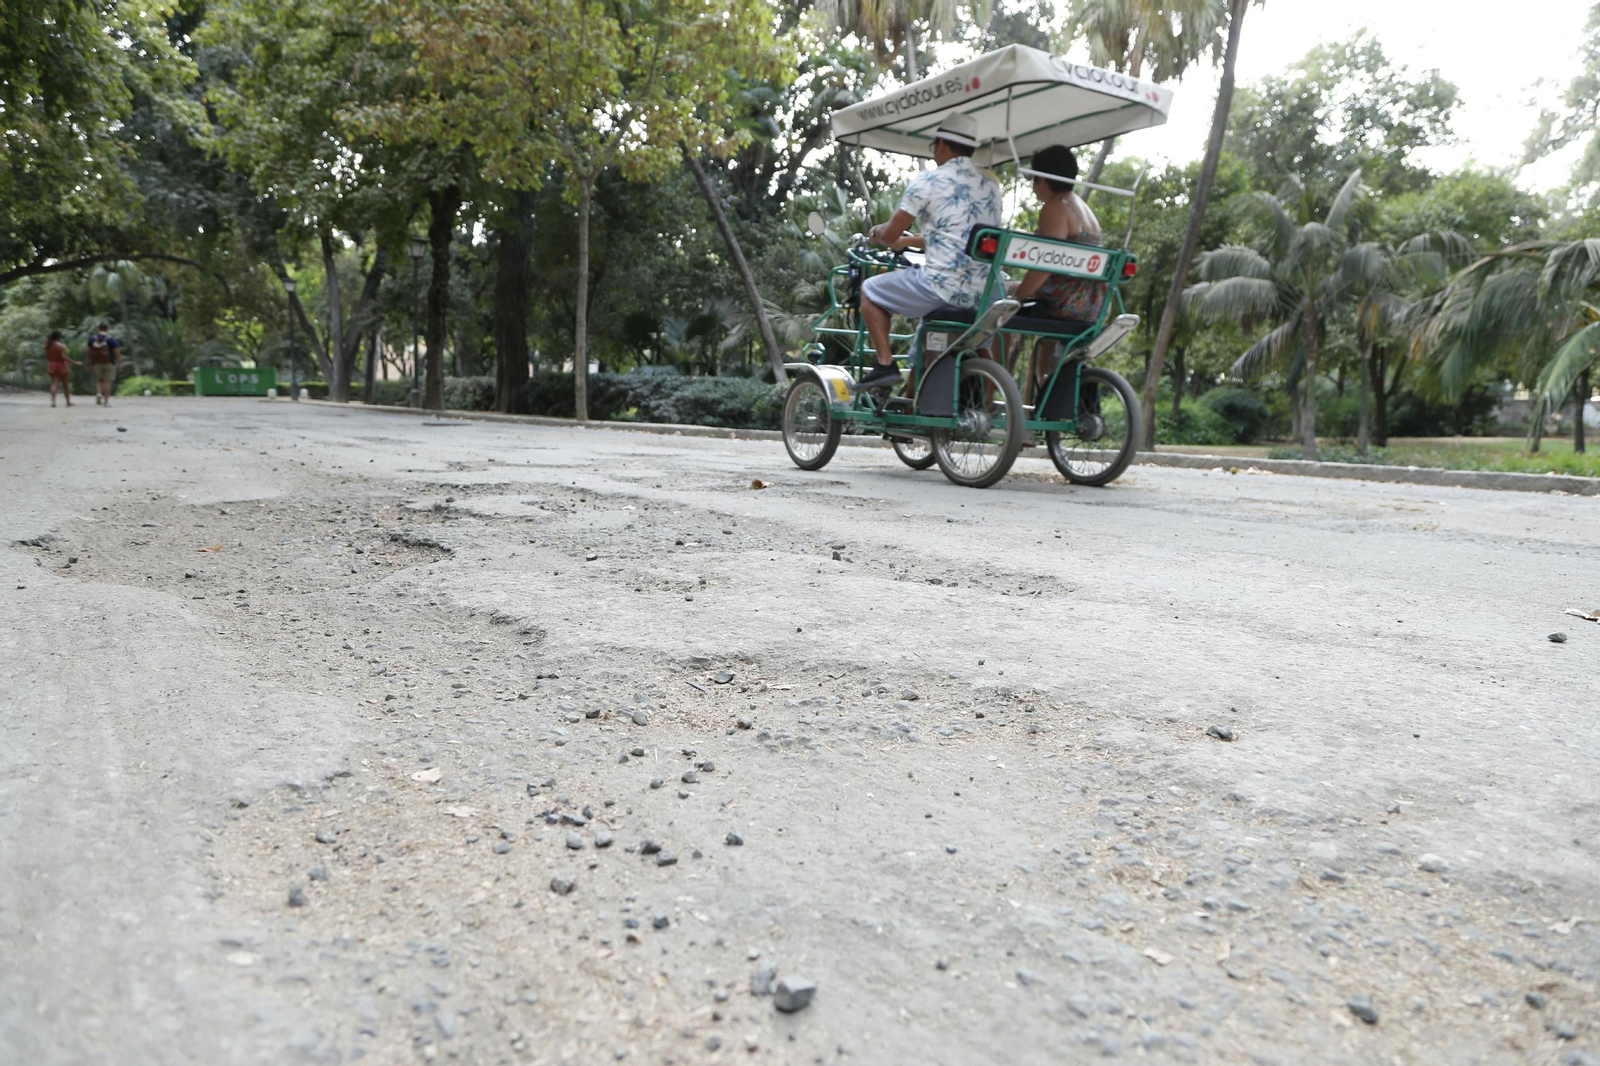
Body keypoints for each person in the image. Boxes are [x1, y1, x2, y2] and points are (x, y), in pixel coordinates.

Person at [856, 112, 1004, 390]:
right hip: (985, 292)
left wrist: (880, 234)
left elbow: (889, 234)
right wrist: (907, 242)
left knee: (870, 291)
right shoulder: (991, 187)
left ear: (943, 144)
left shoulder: (928, 181)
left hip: (942, 287)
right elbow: (961, 237)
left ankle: (885, 365)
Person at [1011, 145, 1105, 391]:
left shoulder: (1055, 207)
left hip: (1066, 302)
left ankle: (989, 393)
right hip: (1092, 302)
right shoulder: (1082, 207)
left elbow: (1045, 264)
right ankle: (1044, 393)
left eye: (1033, 179)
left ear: (1042, 180)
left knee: (999, 300)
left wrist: (1017, 297)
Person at [85, 323, 120, 406]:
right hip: (109, 362)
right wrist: (119, 363)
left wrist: (89, 363)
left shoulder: (92, 339)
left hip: (97, 363)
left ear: (98, 329)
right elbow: (117, 352)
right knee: (107, 381)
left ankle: (99, 393)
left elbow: (88, 351)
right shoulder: (111, 339)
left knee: (99, 380)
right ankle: (106, 401)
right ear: (107, 329)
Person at [45, 330, 79, 408]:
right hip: (61, 365)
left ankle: (53, 402)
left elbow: (48, 356)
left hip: (52, 364)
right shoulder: (61, 346)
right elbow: (63, 357)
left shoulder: (48, 345)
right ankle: (68, 402)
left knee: (54, 383)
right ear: (59, 337)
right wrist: (75, 362)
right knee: (65, 385)